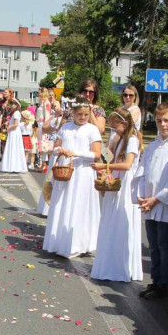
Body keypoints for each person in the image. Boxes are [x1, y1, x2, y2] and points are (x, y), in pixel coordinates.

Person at [135, 102, 168, 300]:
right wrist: (140, 195)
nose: (163, 124)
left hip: (164, 204)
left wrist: (156, 199)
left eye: (166, 120)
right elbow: (144, 170)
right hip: (149, 203)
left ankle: (166, 285)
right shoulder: (154, 145)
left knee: (165, 246)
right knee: (154, 245)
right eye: (159, 121)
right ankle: (156, 282)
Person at [43, 102, 103, 257]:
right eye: (79, 114)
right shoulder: (66, 127)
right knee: (62, 203)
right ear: (74, 113)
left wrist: (76, 153)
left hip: (82, 172)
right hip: (65, 169)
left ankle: (78, 243)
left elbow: (96, 154)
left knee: (79, 204)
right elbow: (56, 147)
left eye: (86, 114)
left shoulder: (92, 129)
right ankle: (58, 241)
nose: (82, 117)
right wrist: (59, 150)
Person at [90, 108, 143, 282]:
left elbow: (128, 165)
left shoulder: (133, 140)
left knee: (121, 221)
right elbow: (109, 156)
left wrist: (105, 168)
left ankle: (121, 266)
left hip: (126, 185)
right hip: (117, 182)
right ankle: (111, 262)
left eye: (115, 126)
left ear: (125, 124)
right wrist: (104, 161)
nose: (113, 129)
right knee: (112, 222)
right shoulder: (120, 139)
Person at [0, 100, 27, 173]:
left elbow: (15, 124)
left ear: (17, 105)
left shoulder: (16, 113)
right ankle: (12, 165)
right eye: (12, 104)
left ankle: (13, 166)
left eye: (14, 104)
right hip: (14, 132)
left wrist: (7, 129)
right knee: (13, 148)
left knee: (14, 147)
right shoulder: (15, 113)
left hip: (14, 132)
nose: (12, 106)